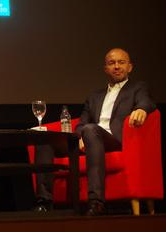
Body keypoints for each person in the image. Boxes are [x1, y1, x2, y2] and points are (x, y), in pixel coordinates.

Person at [33, 48, 156, 215]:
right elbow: (81, 123)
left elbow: (147, 101)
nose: (117, 66)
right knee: (45, 139)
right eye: (112, 63)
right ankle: (44, 202)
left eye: (121, 62)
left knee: (91, 130)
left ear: (130, 67)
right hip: (91, 137)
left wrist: (142, 108)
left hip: (114, 139)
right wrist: (79, 137)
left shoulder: (137, 88)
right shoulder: (94, 96)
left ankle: (96, 201)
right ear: (106, 69)